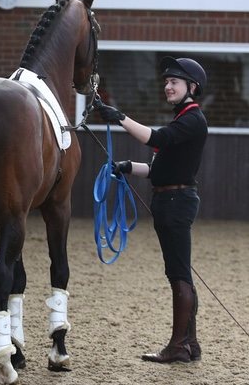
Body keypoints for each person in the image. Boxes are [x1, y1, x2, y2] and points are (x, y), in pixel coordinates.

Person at [97, 56, 208, 363]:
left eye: (174, 82)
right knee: (180, 274)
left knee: (179, 275)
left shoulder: (192, 119)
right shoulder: (183, 119)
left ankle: (177, 347)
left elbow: (155, 138)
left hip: (176, 203)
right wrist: (127, 166)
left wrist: (119, 117)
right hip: (170, 200)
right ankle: (190, 344)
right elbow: (160, 169)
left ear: (191, 87)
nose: (167, 86)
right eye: (166, 82)